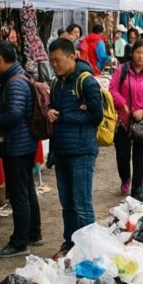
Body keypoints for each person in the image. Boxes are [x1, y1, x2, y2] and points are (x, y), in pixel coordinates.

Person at [0, 41, 42, 258]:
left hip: (18, 145)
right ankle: (33, 233)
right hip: (24, 143)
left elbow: (15, 114)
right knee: (26, 189)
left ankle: (20, 242)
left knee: (19, 193)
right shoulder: (19, 76)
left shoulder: (15, 82)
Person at [47, 38, 103, 260]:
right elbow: (55, 107)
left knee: (82, 203)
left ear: (72, 57)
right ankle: (70, 243)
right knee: (67, 204)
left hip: (82, 151)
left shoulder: (86, 82)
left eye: (58, 60)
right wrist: (50, 110)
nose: (54, 65)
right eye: (51, 61)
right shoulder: (57, 83)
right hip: (61, 150)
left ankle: (89, 249)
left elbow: (95, 116)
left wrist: (64, 116)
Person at [109, 39, 143, 196]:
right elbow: (112, 89)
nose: (141, 56)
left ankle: (137, 190)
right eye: (138, 52)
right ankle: (125, 178)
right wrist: (122, 103)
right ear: (132, 53)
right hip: (123, 121)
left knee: (140, 158)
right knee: (122, 155)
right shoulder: (122, 69)